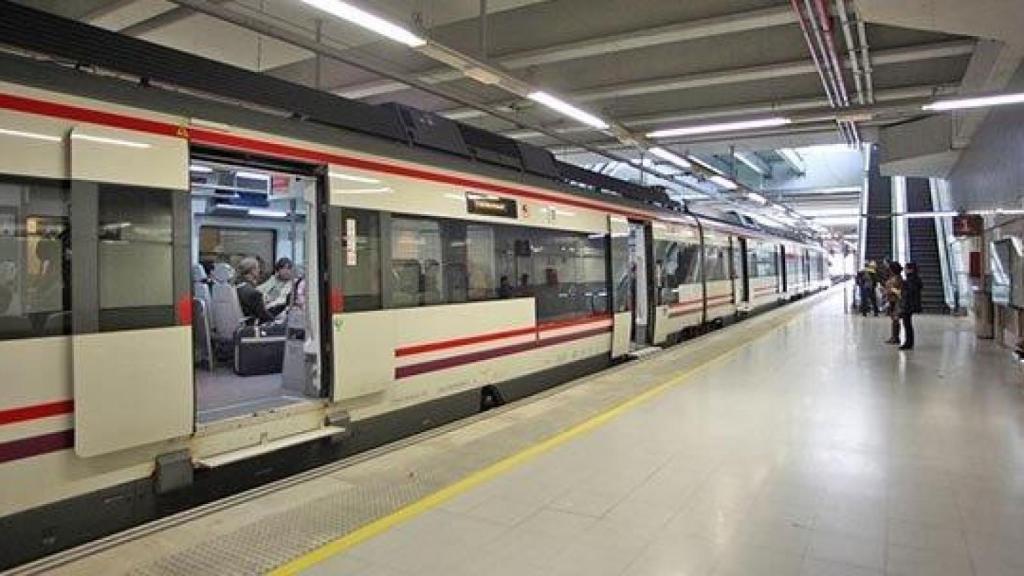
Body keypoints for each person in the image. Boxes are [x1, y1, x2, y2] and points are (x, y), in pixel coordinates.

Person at [236, 257, 276, 324]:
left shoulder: (238, 286)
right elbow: (264, 316)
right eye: (258, 268)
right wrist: (276, 322)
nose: (259, 270)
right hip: (253, 326)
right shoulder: (254, 293)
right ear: (252, 270)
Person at [900, 262, 923, 350]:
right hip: (911, 304)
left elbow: (909, 292)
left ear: (910, 270)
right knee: (907, 324)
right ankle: (909, 342)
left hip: (908, 304)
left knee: (907, 324)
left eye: (906, 268)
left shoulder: (911, 280)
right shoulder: (915, 279)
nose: (904, 270)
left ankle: (908, 343)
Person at [884, 261, 904, 344]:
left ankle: (895, 337)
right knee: (894, 320)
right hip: (892, 300)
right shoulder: (894, 277)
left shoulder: (897, 278)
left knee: (895, 320)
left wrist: (889, 290)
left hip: (896, 301)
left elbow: (897, 290)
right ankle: (894, 337)